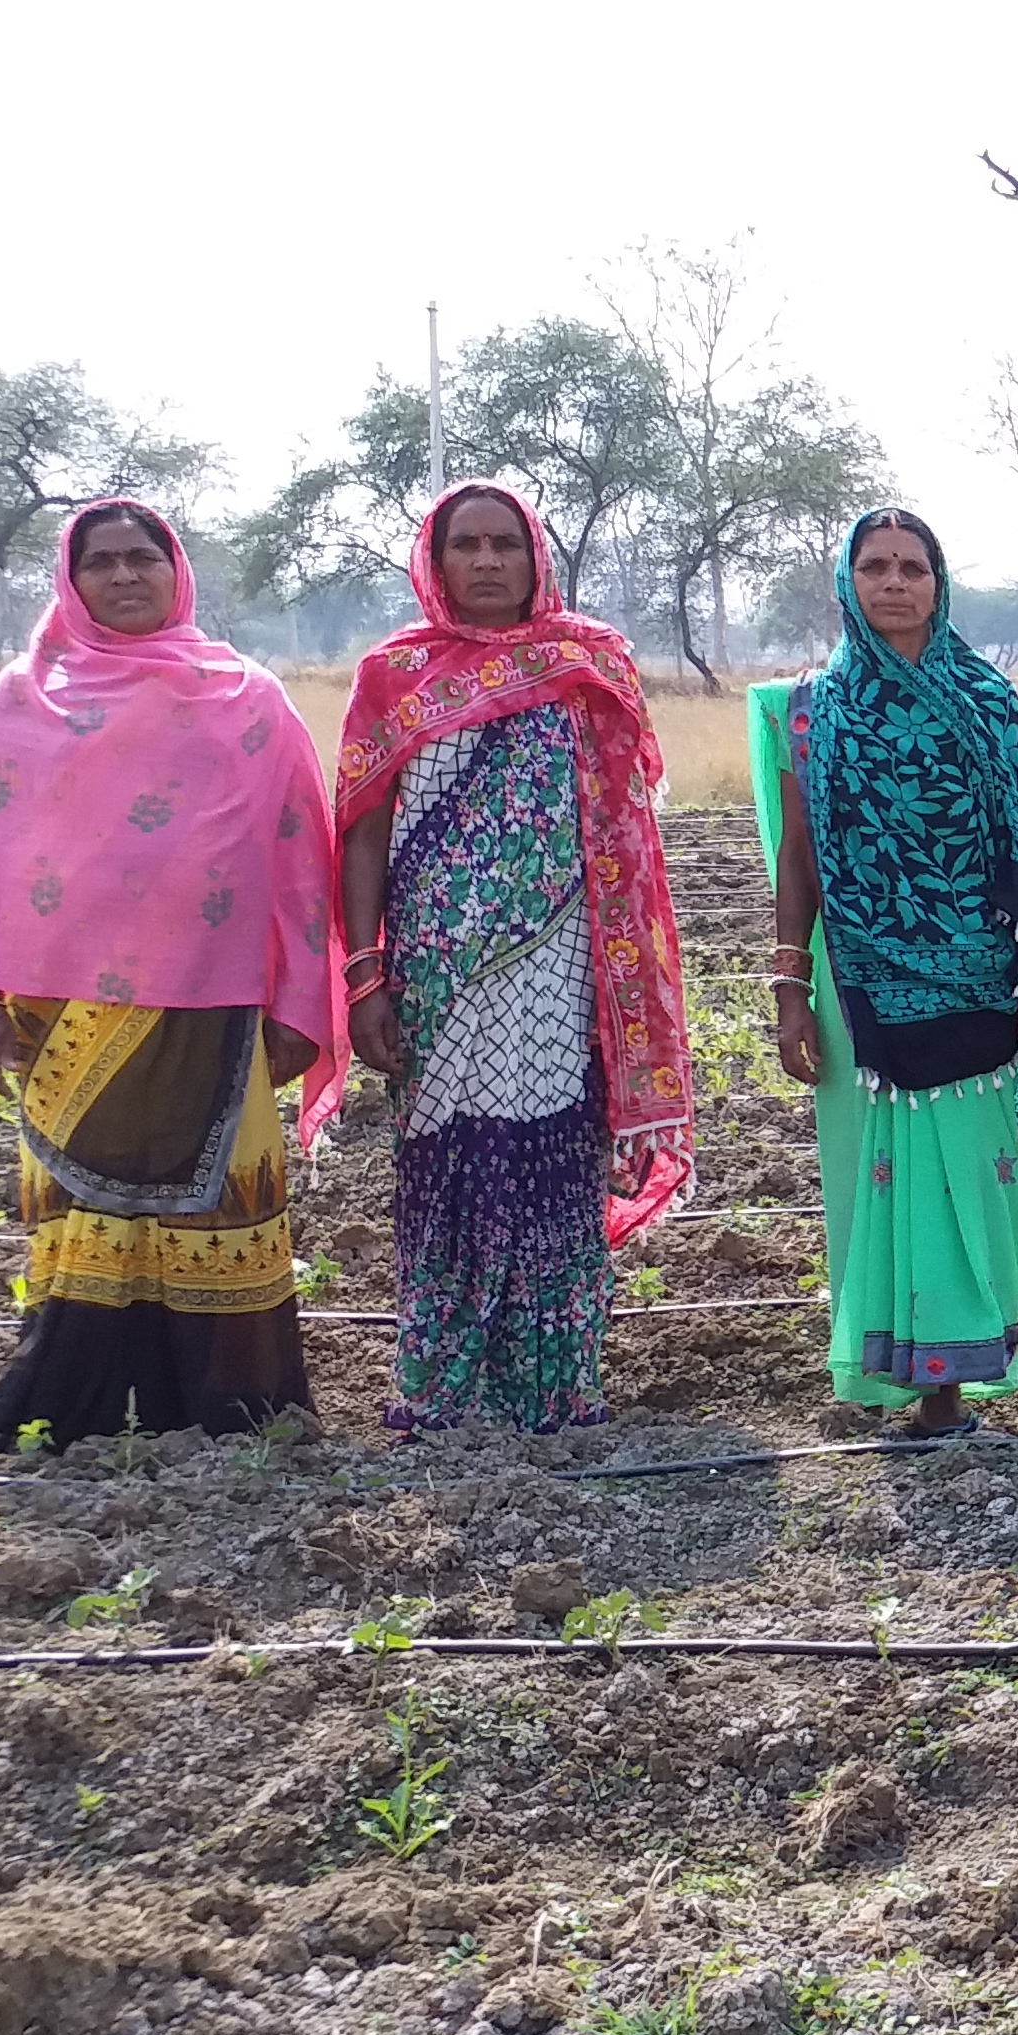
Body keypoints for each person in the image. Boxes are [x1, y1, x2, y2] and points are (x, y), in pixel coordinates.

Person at [0, 500, 341, 1450]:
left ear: (177, 570)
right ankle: (67, 1401)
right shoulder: (19, 701)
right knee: (84, 1204)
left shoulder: (248, 698)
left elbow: (298, 856)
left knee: (219, 1199)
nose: (123, 576)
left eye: (141, 558)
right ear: (70, 583)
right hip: (63, 1013)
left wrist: (298, 1003)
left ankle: (236, 1408)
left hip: (216, 1004)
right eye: (102, 562)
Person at [332, 482, 696, 1431]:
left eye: (505, 544)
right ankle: (441, 1387)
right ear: (436, 561)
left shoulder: (587, 660)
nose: (488, 561)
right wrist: (365, 974)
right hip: (434, 976)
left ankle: (556, 1383)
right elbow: (362, 833)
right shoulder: (392, 676)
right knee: (446, 1158)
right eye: (467, 545)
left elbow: (625, 816)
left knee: (548, 1153)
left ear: (537, 557)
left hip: (562, 962)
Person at [758, 508, 1018, 1433]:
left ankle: (977, 1336)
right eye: (875, 566)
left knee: (982, 1176)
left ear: (939, 584)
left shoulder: (985, 698)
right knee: (905, 1174)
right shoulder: (812, 710)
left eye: (913, 566)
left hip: (984, 976)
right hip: (873, 982)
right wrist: (791, 984)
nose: (895, 582)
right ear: (847, 581)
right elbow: (802, 855)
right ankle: (936, 1379)